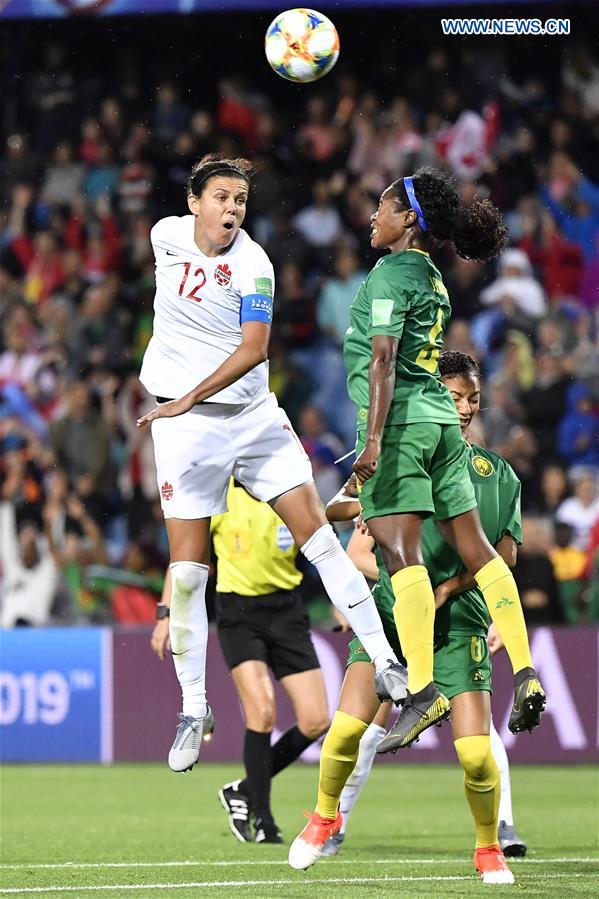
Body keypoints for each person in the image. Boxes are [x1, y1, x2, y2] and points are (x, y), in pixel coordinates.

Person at [137, 154, 407, 773]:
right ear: (194, 203)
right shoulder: (164, 237)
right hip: (183, 431)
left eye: (241, 201)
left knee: (319, 538)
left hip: (250, 419)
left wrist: (188, 395)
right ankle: (193, 706)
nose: (233, 210)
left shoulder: (255, 265)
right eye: (222, 197)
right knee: (185, 573)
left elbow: (255, 348)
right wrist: (178, 403)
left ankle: (385, 661)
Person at [289, 351, 527, 883]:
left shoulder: (496, 475)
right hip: (391, 623)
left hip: (457, 624)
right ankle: (325, 818)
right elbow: (335, 513)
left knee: (476, 755)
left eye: (472, 399)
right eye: (454, 397)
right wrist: (334, 498)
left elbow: (504, 558)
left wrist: (447, 590)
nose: (464, 408)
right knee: (344, 735)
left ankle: (489, 846)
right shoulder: (391, 464)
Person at [343, 167, 545, 749]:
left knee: (399, 550)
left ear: (407, 219)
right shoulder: (432, 276)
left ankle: (423, 691)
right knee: (478, 550)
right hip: (440, 424)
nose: (373, 217)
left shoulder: (387, 277)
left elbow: (382, 361)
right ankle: (526, 669)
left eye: (382, 208)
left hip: (402, 424)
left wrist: (375, 440)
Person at [151, 478, 330, 845]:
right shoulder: (220, 492)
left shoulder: (286, 487)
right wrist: (166, 613)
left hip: (287, 610)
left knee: (316, 720)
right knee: (262, 712)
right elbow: (186, 558)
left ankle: (243, 790)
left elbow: (322, 537)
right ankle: (263, 819)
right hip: (239, 614)